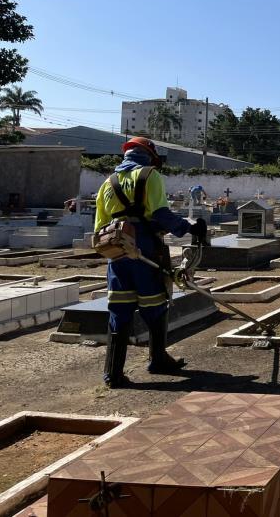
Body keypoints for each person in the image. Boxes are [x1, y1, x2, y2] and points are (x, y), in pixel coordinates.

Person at [94, 137, 208, 388]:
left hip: (117, 252)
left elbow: (99, 227)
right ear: (149, 156)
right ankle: (158, 359)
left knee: (119, 310)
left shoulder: (107, 184)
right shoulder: (150, 176)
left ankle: (113, 374)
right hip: (146, 250)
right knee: (155, 305)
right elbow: (160, 214)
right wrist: (188, 227)